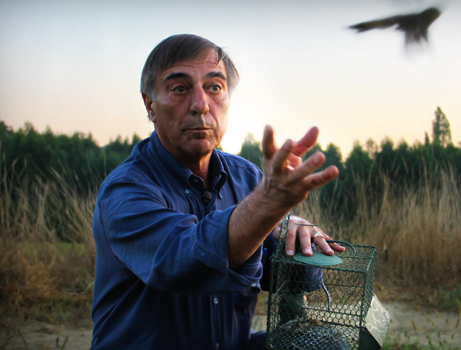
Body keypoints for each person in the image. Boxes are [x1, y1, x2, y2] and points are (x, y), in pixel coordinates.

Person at [90, 34, 343, 350]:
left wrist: (295, 237)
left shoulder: (248, 177)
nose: (200, 105)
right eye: (180, 89)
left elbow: (285, 280)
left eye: (214, 87)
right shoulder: (126, 190)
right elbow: (184, 261)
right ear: (149, 104)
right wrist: (267, 206)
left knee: (325, 345)